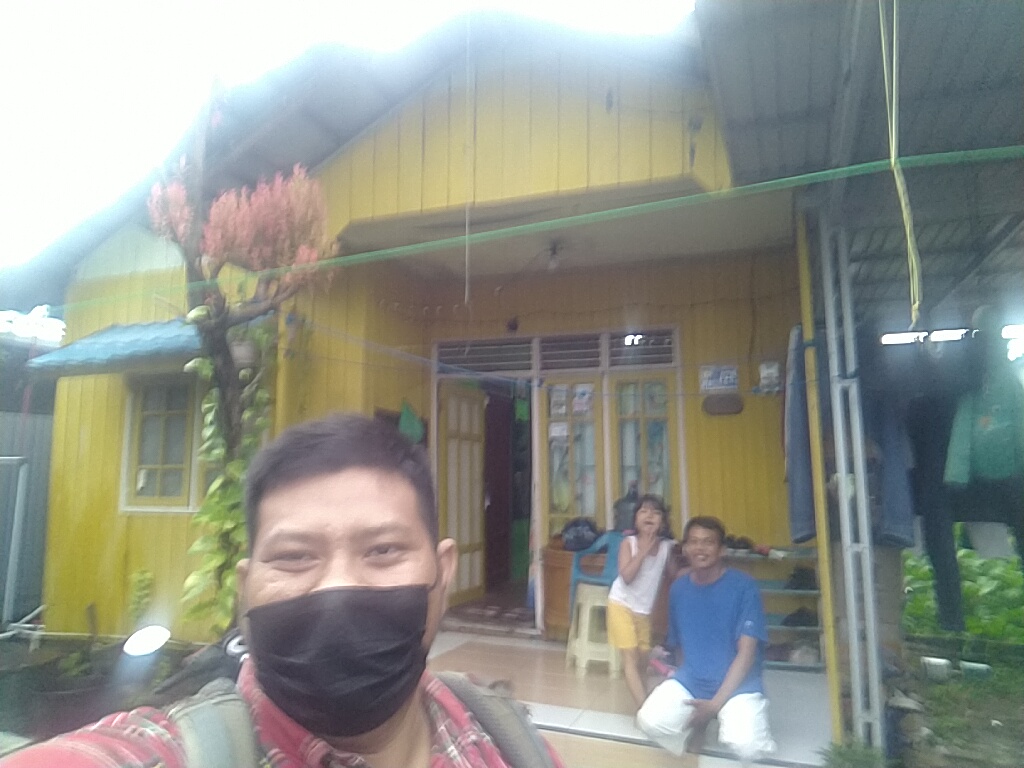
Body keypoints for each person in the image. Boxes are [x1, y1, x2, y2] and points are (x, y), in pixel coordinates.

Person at [2, 414, 564, 768]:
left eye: (383, 550)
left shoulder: (508, 739)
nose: (339, 586)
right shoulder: (181, 752)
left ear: (442, 572)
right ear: (245, 589)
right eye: (294, 557)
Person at [637, 515, 775, 765]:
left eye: (708, 542)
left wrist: (714, 704)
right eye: (694, 542)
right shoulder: (679, 589)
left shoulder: (744, 587)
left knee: (745, 745)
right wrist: (678, 681)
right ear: (685, 549)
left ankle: (724, 717)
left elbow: (746, 654)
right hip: (693, 681)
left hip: (739, 686)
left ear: (722, 550)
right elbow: (679, 646)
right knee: (649, 720)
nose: (700, 548)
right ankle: (696, 728)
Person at [605, 494, 675, 708]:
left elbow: (675, 575)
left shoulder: (666, 548)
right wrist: (643, 551)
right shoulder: (629, 543)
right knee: (630, 656)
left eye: (656, 512)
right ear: (635, 520)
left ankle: (644, 703)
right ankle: (643, 709)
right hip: (621, 604)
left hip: (643, 611)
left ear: (663, 522)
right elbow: (627, 577)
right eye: (643, 511)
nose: (649, 516)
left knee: (643, 660)